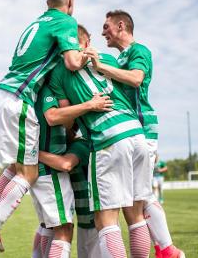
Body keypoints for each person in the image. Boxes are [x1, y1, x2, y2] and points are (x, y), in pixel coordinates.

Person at [0, 0, 97, 258]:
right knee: (28, 175)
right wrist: (89, 55)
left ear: (46, 2)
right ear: (70, 3)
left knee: (15, 169)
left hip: (1, 94)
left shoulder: (35, 23)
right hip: (18, 99)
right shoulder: (65, 21)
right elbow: (72, 62)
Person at [50, 24, 152, 258]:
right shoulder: (106, 58)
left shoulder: (58, 72)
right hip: (136, 133)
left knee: (106, 220)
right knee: (136, 216)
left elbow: (67, 120)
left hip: (108, 138)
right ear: (88, 42)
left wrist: (82, 110)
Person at [91, 11, 184, 258]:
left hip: (141, 125)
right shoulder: (119, 56)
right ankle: (166, 250)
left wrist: (101, 67)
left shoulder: (138, 50)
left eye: (106, 26)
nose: (102, 33)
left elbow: (136, 78)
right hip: (130, 128)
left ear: (121, 26)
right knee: (133, 201)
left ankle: (167, 249)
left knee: (141, 197)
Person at [30, 83, 111, 258]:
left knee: (57, 229)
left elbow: (65, 164)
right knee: (47, 226)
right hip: (84, 221)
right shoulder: (67, 145)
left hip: (91, 222)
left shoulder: (82, 143)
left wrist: (33, 153)